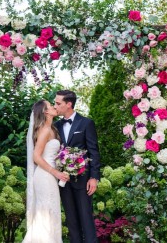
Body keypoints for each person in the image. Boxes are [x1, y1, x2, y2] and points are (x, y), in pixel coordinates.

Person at [54, 90, 101, 243]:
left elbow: (93, 151)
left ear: (69, 104)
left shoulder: (86, 123)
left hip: (83, 181)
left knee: (86, 219)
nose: (55, 106)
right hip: (64, 181)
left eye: (58, 103)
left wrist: (94, 177)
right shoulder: (55, 126)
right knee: (71, 221)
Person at [23, 99, 69, 243]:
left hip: (49, 176)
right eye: (51, 105)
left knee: (51, 213)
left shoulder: (52, 129)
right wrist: (55, 172)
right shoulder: (44, 130)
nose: (54, 107)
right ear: (45, 112)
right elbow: (36, 157)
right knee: (45, 214)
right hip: (45, 176)